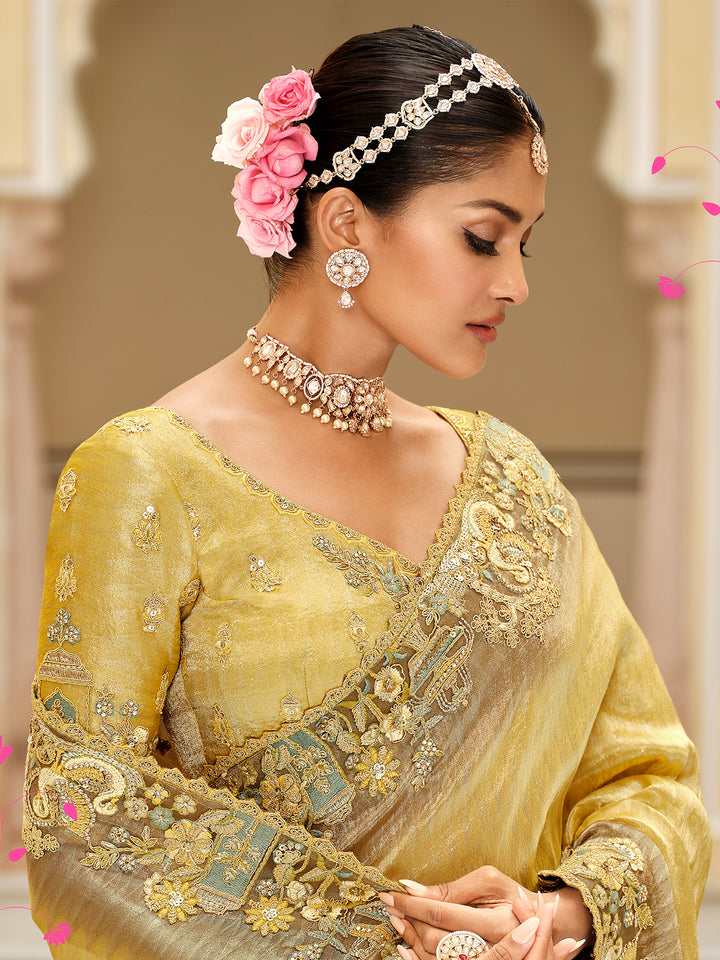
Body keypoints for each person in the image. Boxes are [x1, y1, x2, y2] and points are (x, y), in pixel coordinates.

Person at [23, 24, 710, 960]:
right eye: (482, 237)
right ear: (345, 223)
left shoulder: (513, 481)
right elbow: (80, 823)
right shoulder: (146, 473)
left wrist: (563, 916)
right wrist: (408, 942)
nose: (513, 283)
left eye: (526, 247)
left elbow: (650, 776)